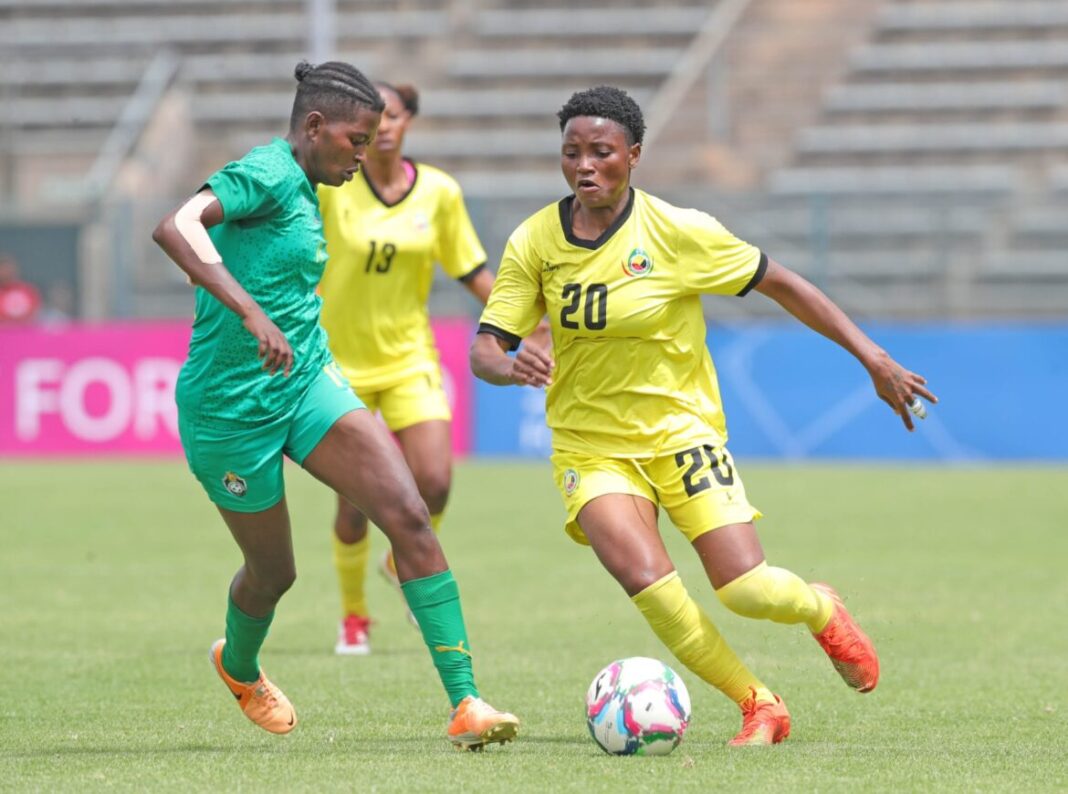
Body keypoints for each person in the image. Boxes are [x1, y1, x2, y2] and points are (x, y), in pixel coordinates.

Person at [470, 86, 937, 747]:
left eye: (601, 152)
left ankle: (819, 607)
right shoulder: (536, 241)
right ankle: (759, 703)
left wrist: (873, 358)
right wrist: (507, 364)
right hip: (590, 447)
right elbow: (486, 347)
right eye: (571, 152)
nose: (584, 166)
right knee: (647, 582)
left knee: (745, 589)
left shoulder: (678, 231)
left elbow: (785, 284)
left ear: (633, 156)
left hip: (681, 433)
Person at [151, 60, 518, 750]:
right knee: (274, 575)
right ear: (314, 127)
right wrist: (252, 314)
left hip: (306, 382)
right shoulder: (265, 172)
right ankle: (237, 666)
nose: (363, 153)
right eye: (355, 140)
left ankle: (467, 703)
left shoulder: (318, 183)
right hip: (228, 409)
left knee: (409, 512)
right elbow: (175, 226)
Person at [317, 81, 547, 654]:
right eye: (375, 118)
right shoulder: (333, 186)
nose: (385, 126)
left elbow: (473, 273)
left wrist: (524, 323)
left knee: (436, 481)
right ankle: (354, 617)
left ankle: (400, 562)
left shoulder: (440, 193)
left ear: (409, 121)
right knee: (354, 506)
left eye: (395, 116)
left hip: (409, 358)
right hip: (336, 362)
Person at [0, 254, 41, 325]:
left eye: (8, 268)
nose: (6, 272)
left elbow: (36, 313)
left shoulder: (28, 290)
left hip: (25, 332)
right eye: (3, 269)